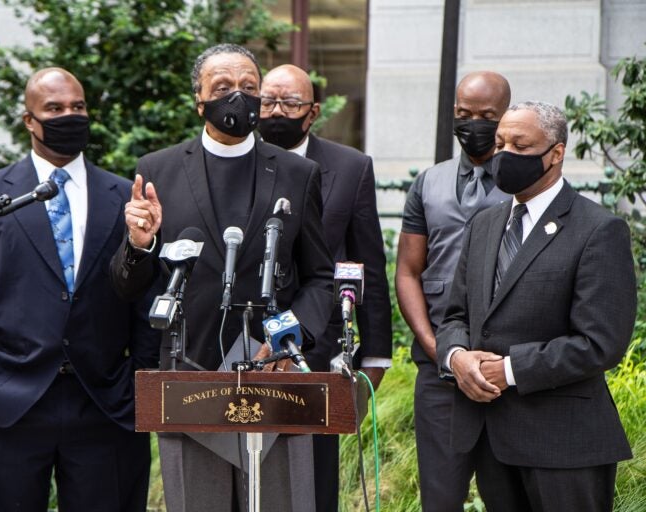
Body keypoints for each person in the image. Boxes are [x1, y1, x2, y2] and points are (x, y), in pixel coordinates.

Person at [109, 44, 334, 512]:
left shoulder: (297, 172)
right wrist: (140, 242)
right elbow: (128, 286)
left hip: (277, 374)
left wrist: (292, 336)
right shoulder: (158, 170)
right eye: (223, 88)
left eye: (249, 88)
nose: (238, 97)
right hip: (191, 375)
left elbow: (320, 277)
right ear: (199, 100)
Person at [0, 67, 158, 512]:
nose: (69, 116)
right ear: (29, 121)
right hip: (6, 403)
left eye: (77, 107)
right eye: (54, 109)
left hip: (104, 404)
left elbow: (142, 297)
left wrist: (137, 382)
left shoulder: (125, 196)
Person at [436, 101, 636, 511]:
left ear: (556, 153)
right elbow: (456, 313)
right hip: (491, 437)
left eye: (520, 145)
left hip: (564, 444)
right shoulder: (485, 224)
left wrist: (509, 370)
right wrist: (456, 357)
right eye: (500, 143)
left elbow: (602, 343)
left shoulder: (599, 230)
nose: (504, 155)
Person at [258, 63, 393, 512]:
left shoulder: (350, 167)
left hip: (317, 353)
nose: (277, 111)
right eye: (268, 101)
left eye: (290, 103)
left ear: (312, 112)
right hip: (239, 343)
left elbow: (366, 260)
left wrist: (374, 358)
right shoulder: (237, 160)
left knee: (312, 482)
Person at [395, 71, 512, 510]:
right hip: (439, 371)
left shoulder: (525, 185)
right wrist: (435, 349)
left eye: (486, 116)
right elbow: (408, 271)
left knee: (509, 496)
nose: (473, 124)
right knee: (440, 498)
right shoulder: (428, 182)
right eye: (463, 114)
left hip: (506, 371)